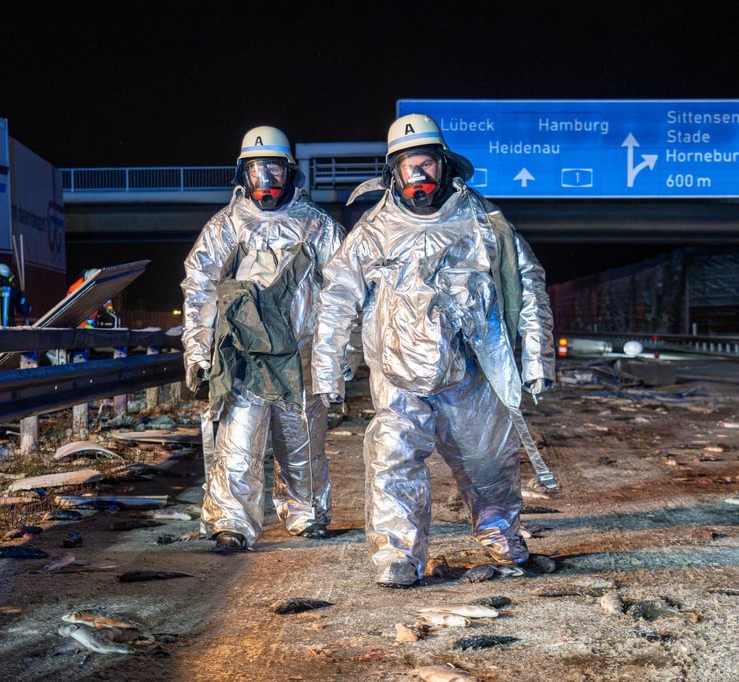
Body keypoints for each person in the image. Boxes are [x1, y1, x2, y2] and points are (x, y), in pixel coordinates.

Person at [311, 113, 556, 588]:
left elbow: (528, 286)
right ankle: (397, 556)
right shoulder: (373, 231)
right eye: (408, 167)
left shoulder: (484, 223)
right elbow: (337, 299)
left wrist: (536, 359)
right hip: (399, 374)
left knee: (489, 462)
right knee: (393, 459)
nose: (418, 176)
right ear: (392, 173)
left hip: (472, 370)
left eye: (426, 164)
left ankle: (501, 534)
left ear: (444, 165)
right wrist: (328, 370)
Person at [181, 125, 346, 552]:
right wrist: (198, 351)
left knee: (302, 445)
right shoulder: (225, 227)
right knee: (237, 444)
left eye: (273, 169)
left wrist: (341, 355)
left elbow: (344, 293)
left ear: (289, 171)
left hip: (300, 358)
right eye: (256, 171)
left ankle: (307, 514)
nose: (266, 181)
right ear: (243, 174)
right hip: (242, 360)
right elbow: (199, 290)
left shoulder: (317, 227)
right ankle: (231, 523)